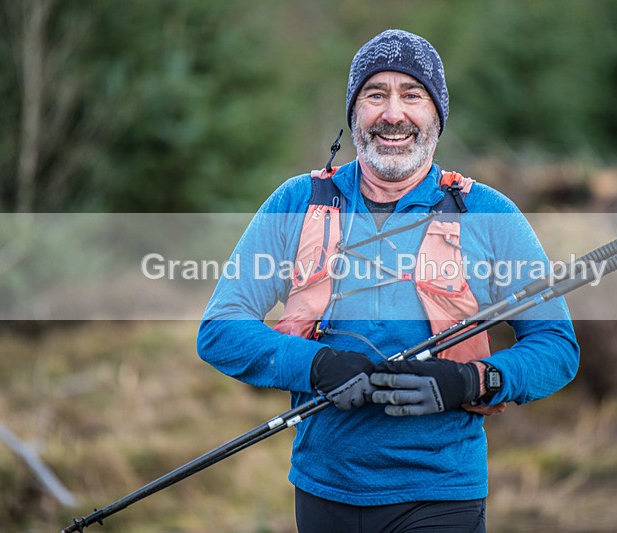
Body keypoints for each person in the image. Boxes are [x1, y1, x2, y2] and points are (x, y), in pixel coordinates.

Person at [197, 29, 579, 532]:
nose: (393, 114)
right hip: (322, 488)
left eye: (412, 95)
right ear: (354, 113)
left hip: (441, 493)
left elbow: (557, 346)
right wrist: (316, 365)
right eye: (376, 94)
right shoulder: (298, 201)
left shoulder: (486, 212)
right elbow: (220, 329)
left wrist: (474, 379)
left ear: (436, 116)